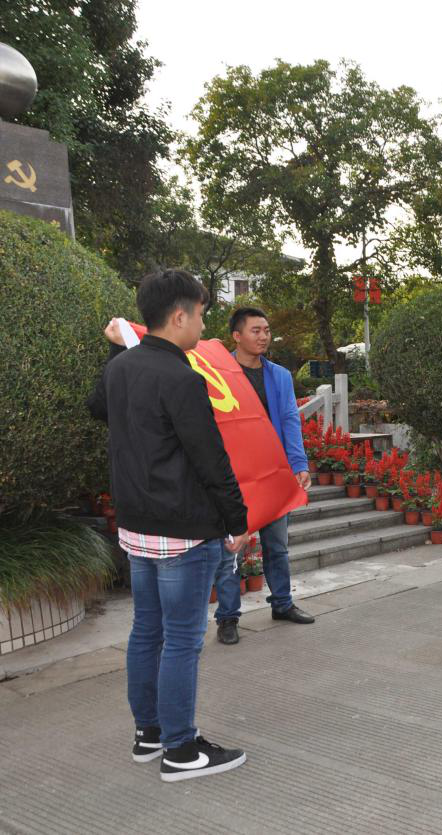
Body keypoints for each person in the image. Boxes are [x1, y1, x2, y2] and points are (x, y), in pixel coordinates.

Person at [87, 269, 249, 782]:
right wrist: (238, 520)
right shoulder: (181, 377)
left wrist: (116, 348)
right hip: (183, 529)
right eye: (200, 314)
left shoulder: (121, 368)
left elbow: (97, 408)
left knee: (147, 632)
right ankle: (180, 750)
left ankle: (149, 734)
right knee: (181, 640)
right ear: (179, 316)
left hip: (137, 526)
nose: (203, 324)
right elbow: (210, 458)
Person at [213, 307, 315, 645]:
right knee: (232, 551)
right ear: (236, 336)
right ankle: (228, 618)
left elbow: (289, 419)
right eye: (255, 330)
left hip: (272, 474)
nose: (263, 336)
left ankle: (282, 603)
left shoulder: (280, 376)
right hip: (234, 478)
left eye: (267, 330)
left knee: (277, 546)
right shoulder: (219, 374)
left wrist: (298, 464)